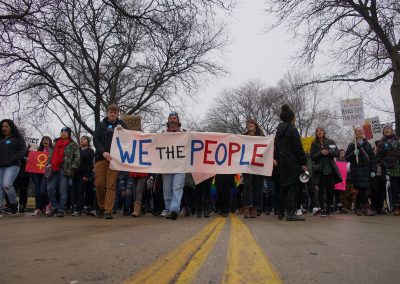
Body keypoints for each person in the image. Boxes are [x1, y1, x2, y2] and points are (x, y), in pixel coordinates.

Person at [93, 104, 127, 219]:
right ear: (107, 113)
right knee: (99, 184)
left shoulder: (122, 125)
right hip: (102, 158)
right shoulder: (101, 125)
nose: (112, 114)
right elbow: (95, 139)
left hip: (115, 160)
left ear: (118, 114)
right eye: (110, 112)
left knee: (111, 185)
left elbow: (129, 139)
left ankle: (108, 210)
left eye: (115, 112)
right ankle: (101, 206)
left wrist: (124, 132)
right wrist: (103, 152)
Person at [274, 105, 307, 221]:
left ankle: (280, 213)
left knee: (283, 188)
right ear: (292, 117)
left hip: (282, 163)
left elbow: (276, 148)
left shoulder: (278, 131)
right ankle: (291, 213)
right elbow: (298, 148)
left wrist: (277, 159)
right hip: (293, 162)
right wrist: (303, 162)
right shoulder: (293, 130)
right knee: (293, 187)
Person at [46, 127, 80, 217]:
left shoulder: (73, 144)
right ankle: (54, 207)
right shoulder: (56, 143)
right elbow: (51, 155)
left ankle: (61, 209)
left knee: (62, 190)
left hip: (65, 169)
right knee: (49, 187)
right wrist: (48, 163)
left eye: (66, 132)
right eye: (62, 132)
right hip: (54, 168)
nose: (63, 133)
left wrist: (73, 167)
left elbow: (77, 157)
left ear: (69, 134)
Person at [345, 127, 376, 216]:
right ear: (355, 133)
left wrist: (373, 170)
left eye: (361, 131)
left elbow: (372, 158)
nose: (360, 132)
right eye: (358, 131)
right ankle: (365, 208)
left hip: (366, 170)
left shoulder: (368, 144)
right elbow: (347, 158)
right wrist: (353, 154)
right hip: (357, 170)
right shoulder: (352, 145)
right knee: (361, 189)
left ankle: (358, 207)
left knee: (364, 189)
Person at [310, 127, 340, 216]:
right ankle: (322, 208)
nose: (319, 132)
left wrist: (329, 152)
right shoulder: (314, 143)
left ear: (324, 132)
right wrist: (320, 153)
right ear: (316, 133)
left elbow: (337, 153)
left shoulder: (331, 142)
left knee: (330, 190)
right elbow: (312, 157)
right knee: (321, 191)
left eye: (321, 130)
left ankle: (328, 206)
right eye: (317, 131)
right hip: (320, 170)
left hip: (330, 169)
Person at [162, 112, 186, 220]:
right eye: (171, 118)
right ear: (168, 120)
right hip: (167, 167)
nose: (172, 120)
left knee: (177, 188)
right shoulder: (162, 134)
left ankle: (174, 210)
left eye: (174, 118)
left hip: (180, 166)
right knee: (167, 190)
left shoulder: (185, 133)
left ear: (177, 120)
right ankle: (168, 209)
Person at [0, 119, 26, 215]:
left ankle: (13, 204)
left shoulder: (18, 138)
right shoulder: (1, 138)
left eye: (6, 126)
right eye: (3, 126)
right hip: (1, 166)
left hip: (13, 165)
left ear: (11, 127)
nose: (4, 128)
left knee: (7, 185)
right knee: (0, 187)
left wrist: (12, 159)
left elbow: (22, 151)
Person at [242, 118, 265, 218]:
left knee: (257, 186)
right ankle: (246, 207)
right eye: (248, 123)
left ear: (255, 124)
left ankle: (255, 208)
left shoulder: (262, 136)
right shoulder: (243, 136)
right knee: (247, 185)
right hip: (247, 165)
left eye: (251, 123)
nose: (250, 124)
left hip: (258, 165)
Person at [376, 125, 400, 215]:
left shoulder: (398, 140)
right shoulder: (381, 143)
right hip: (389, 169)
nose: (386, 130)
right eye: (385, 129)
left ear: (391, 130)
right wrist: (384, 164)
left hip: (399, 166)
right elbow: (378, 157)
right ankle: (396, 207)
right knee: (394, 188)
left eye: (388, 128)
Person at [72, 136, 94, 216]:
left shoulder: (90, 151)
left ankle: (77, 210)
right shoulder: (77, 150)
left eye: (84, 139)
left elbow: (91, 165)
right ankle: (78, 208)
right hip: (75, 174)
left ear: (88, 142)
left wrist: (87, 175)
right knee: (75, 192)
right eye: (81, 139)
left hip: (84, 175)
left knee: (81, 191)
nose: (82, 140)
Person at [33, 136, 53, 216]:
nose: (45, 141)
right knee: (37, 191)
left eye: (47, 140)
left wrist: (50, 165)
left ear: (49, 141)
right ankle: (38, 208)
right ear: (42, 142)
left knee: (42, 191)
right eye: (43, 140)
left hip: (46, 173)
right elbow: (33, 159)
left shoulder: (52, 150)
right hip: (37, 172)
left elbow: (54, 160)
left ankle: (48, 204)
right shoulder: (38, 150)